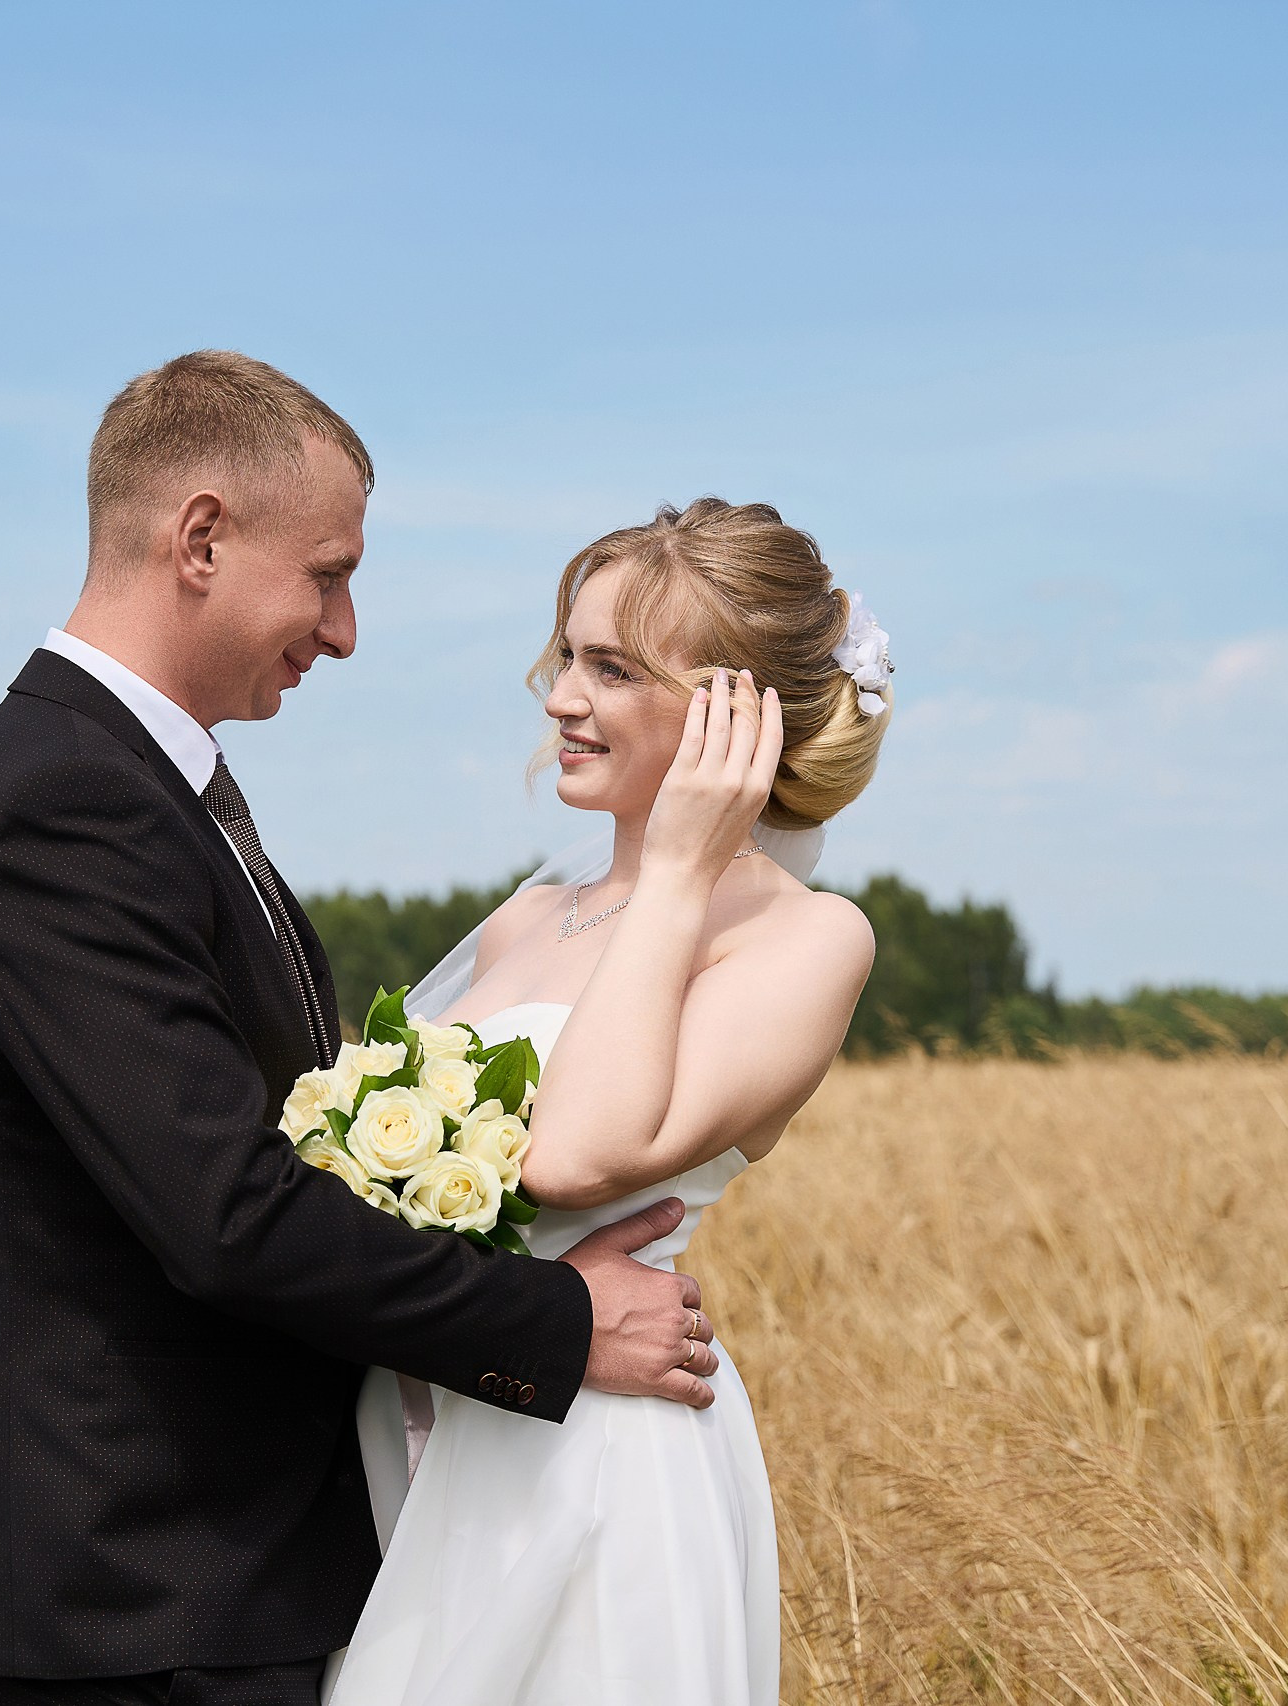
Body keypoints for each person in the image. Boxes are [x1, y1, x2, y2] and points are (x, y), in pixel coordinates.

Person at [0, 351, 720, 1706]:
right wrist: (557, 1318)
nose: (343, 630)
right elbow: (227, 1212)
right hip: (154, 1581)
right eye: (329, 574)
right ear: (200, 537)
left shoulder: (132, 783)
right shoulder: (64, 807)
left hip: (212, 1566)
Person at [326, 498, 887, 1706]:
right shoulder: (528, 916)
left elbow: (578, 1153)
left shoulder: (807, 939)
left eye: (613, 668)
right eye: (567, 656)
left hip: (600, 1449)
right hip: (427, 1423)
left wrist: (680, 867)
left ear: (736, 714)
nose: (561, 698)